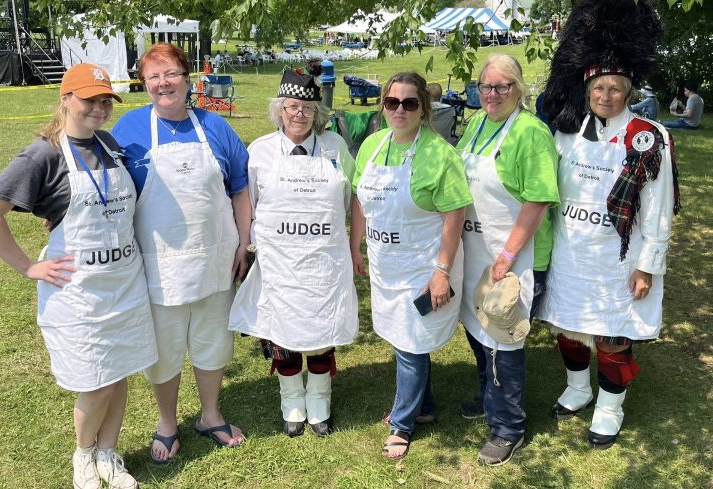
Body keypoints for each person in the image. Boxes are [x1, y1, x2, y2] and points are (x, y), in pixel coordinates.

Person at [0, 63, 157, 489]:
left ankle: (109, 455)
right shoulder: (43, 153)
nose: (99, 108)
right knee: (95, 383)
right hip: (79, 293)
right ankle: (84, 454)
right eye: (90, 99)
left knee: (119, 371)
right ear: (66, 99)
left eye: (106, 100)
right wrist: (28, 266)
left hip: (124, 283)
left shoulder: (108, 145)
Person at [540, 0, 680, 450]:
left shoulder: (647, 135)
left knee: (613, 334)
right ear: (587, 87)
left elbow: (657, 207)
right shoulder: (565, 132)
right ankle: (579, 388)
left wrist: (648, 265)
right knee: (568, 325)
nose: (606, 95)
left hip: (619, 257)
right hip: (570, 251)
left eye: (615, 88)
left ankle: (609, 407)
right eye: (599, 86)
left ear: (629, 90)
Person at [112, 43, 251, 462]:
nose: (163, 83)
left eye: (171, 73)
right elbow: (103, 186)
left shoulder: (216, 127)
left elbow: (240, 188)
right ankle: (167, 423)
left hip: (215, 259)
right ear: (145, 83)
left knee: (213, 344)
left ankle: (210, 414)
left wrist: (245, 243)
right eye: (153, 76)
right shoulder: (129, 129)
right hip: (160, 266)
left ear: (188, 79)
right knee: (165, 350)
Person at [229, 70, 358, 437]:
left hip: (324, 261)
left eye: (307, 108)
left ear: (317, 112)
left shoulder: (335, 147)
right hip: (279, 263)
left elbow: (351, 199)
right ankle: (291, 401)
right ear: (280, 109)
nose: (299, 114)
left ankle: (319, 401)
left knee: (321, 329)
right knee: (282, 332)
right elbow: (249, 204)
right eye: (292, 106)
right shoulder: (260, 152)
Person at [350, 71, 472, 460]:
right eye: (392, 102)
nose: (399, 110)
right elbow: (359, 197)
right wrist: (356, 244)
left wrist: (442, 272)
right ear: (383, 105)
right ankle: (425, 406)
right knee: (406, 339)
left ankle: (402, 423)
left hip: (424, 265)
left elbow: (455, 216)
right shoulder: (371, 145)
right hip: (387, 266)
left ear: (424, 108)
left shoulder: (440, 155)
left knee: (409, 343)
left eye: (409, 103)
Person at [456, 54, 560, 466]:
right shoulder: (478, 124)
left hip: (515, 255)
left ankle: (508, 428)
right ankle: (489, 398)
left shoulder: (531, 133)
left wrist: (508, 255)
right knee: (479, 331)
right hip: (476, 249)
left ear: (518, 89)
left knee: (504, 338)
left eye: (502, 86)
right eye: (486, 86)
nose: (492, 94)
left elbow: (537, 200)